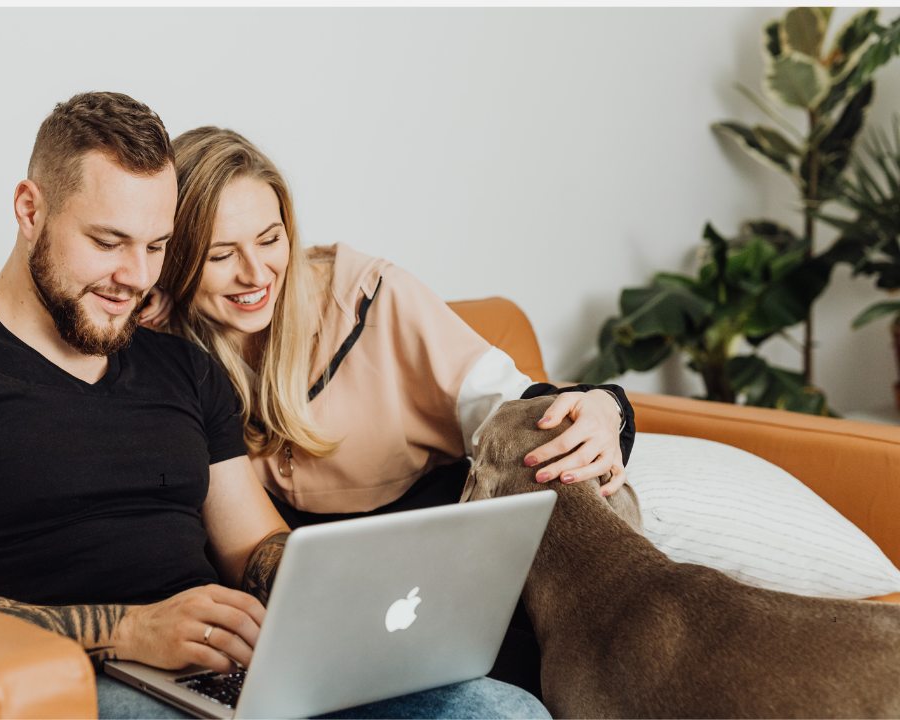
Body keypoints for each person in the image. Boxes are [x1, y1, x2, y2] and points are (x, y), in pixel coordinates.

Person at [0, 92, 548, 719]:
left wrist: (354, 590)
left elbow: (251, 546)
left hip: (227, 671)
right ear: (30, 210)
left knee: (502, 711)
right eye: (107, 242)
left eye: (156, 248)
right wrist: (131, 631)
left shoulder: (183, 368)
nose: (134, 277)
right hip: (79, 681)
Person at [141, 126, 636, 698]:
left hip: (456, 590)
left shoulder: (371, 298)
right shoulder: (166, 353)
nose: (255, 274)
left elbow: (514, 410)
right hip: (328, 630)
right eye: (220, 254)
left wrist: (607, 406)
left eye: (271, 238)